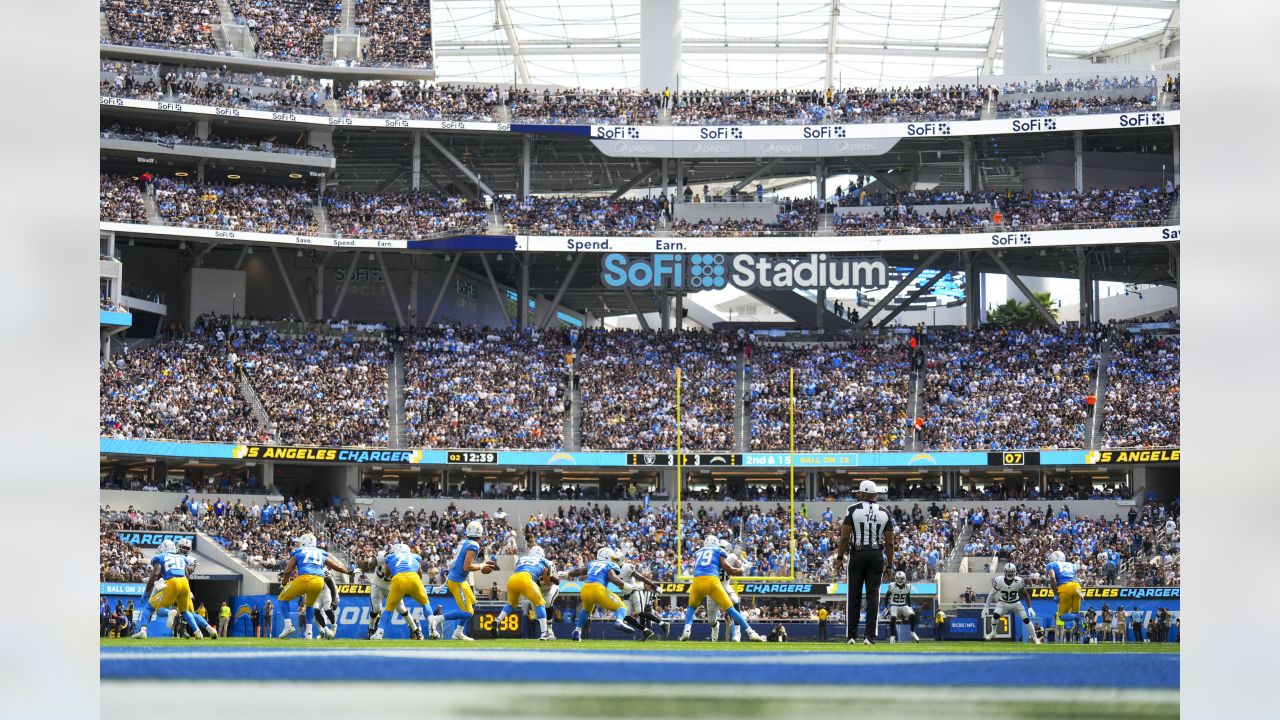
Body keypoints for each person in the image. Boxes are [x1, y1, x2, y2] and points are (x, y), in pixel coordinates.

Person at [834, 480, 895, 644]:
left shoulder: (853, 510)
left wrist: (839, 558)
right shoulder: (885, 512)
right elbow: (889, 543)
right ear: (875, 494)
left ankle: (852, 636)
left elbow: (845, 537)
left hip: (858, 553)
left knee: (854, 596)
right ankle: (869, 636)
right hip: (876, 554)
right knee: (873, 596)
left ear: (860, 493)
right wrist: (889, 565)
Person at [677, 536, 765, 642]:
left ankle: (686, 631)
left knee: (691, 607)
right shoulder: (719, 551)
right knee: (730, 610)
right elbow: (730, 570)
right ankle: (751, 632)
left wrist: (740, 558)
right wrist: (743, 568)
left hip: (698, 581)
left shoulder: (699, 552)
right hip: (713, 582)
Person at [560, 548, 647, 641]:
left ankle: (577, 632)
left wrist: (565, 574)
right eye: (612, 557)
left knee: (586, 610)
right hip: (598, 589)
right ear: (606, 556)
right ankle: (619, 621)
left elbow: (578, 571)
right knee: (622, 607)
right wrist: (631, 586)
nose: (613, 559)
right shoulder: (608, 564)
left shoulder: (592, 563)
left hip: (585, 589)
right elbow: (614, 579)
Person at [276, 532, 349, 640]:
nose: (298, 544)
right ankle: (309, 633)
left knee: (282, 598)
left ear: (305, 542)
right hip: (319, 581)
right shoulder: (321, 552)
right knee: (309, 605)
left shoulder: (298, 551)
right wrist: (349, 572)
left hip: (305, 578)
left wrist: (284, 583)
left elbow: (287, 571)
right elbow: (337, 566)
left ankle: (288, 626)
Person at [133, 539, 204, 639]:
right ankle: (198, 632)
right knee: (186, 611)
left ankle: (143, 630)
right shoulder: (182, 557)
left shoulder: (161, 556)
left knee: (151, 608)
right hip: (185, 584)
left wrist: (146, 591)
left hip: (170, 583)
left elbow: (156, 574)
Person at [442, 520, 495, 641]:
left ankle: (458, 633)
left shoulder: (465, 542)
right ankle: (438, 618)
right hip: (457, 580)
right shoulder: (474, 545)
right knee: (468, 612)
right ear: (481, 533)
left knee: (472, 602)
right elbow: (467, 567)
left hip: (458, 579)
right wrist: (481, 565)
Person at [359, 545, 426, 640]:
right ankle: (371, 629)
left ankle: (416, 631)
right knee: (376, 609)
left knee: (401, 609)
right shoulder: (382, 556)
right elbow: (368, 569)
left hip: (392, 586)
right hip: (378, 584)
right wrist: (367, 558)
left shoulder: (404, 560)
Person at [494, 545, 558, 641]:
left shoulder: (522, 558)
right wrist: (548, 573)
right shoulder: (545, 561)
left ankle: (498, 620)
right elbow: (551, 582)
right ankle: (544, 633)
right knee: (540, 603)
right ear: (541, 554)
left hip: (512, 579)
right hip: (526, 579)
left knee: (511, 604)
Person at [983, 563, 1040, 645]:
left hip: (1016, 603)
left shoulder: (1019, 581)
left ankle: (1034, 638)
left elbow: (1026, 595)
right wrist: (986, 606)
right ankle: (993, 632)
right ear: (1005, 572)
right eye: (1008, 572)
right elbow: (991, 594)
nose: (1010, 574)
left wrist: (1030, 607)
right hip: (1003, 603)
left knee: (1026, 619)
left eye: (1011, 572)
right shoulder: (999, 580)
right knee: (995, 615)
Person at [707, 539, 748, 642]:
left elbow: (738, 566)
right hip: (712, 588)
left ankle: (737, 632)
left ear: (727, 549)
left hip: (725, 586)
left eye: (723, 548)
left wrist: (741, 558)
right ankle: (715, 626)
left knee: (735, 601)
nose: (721, 551)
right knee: (711, 621)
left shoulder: (731, 557)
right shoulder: (710, 558)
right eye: (719, 548)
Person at [618, 555, 667, 640]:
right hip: (626, 595)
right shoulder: (611, 570)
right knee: (626, 616)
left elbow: (641, 577)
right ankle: (646, 631)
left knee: (640, 612)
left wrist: (654, 586)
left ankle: (663, 623)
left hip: (635, 591)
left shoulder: (626, 567)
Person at [1046, 550, 1082, 641]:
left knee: (1062, 616)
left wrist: (1055, 594)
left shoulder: (1052, 565)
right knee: (1076, 614)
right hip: (1077, 587)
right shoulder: (1072, 565)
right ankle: (1086, 634)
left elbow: (1053, 577)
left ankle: (1077, 616)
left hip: (1065, 587)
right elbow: (1075, 578)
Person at [884, 571, 921, 643]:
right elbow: (887, 596)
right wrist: (886, 606)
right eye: (898, 578)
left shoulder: (908, 587)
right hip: (894, 605)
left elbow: (907, 597)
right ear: (895, 578)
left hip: (903, 605)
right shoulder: (892, 586)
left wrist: (910, 606)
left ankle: (912, 632)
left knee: (912, 615)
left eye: (901, 579)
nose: (899, 580)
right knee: (893, 617)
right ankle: (892, 636)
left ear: (904, 579)